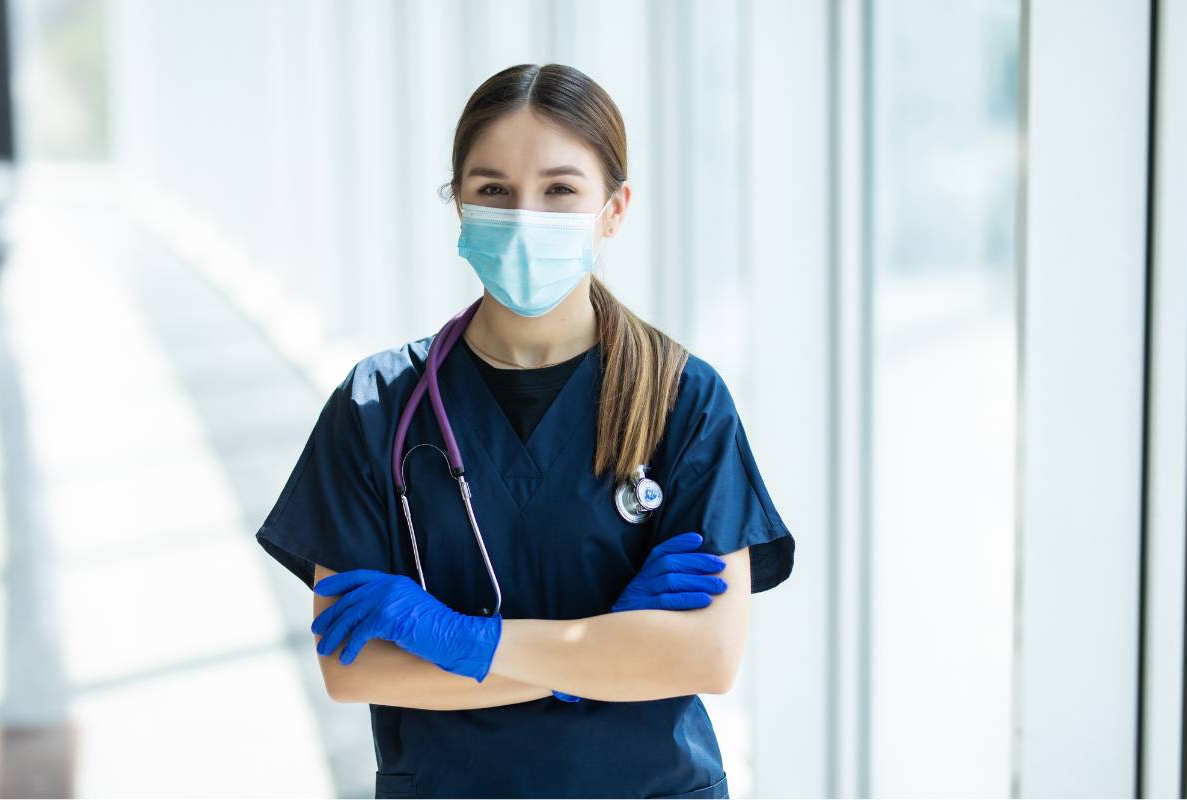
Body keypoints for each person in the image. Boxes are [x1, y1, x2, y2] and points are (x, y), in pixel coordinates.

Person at [255, 62, 795, 800]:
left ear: (614, 209)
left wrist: (465, 640)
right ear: (459, 205)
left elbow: (706, 657)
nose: (524, 216)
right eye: (493, 190)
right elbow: (356, 668)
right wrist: (602, 649)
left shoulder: (681, 399)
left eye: (560, 190)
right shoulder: (376, 405)